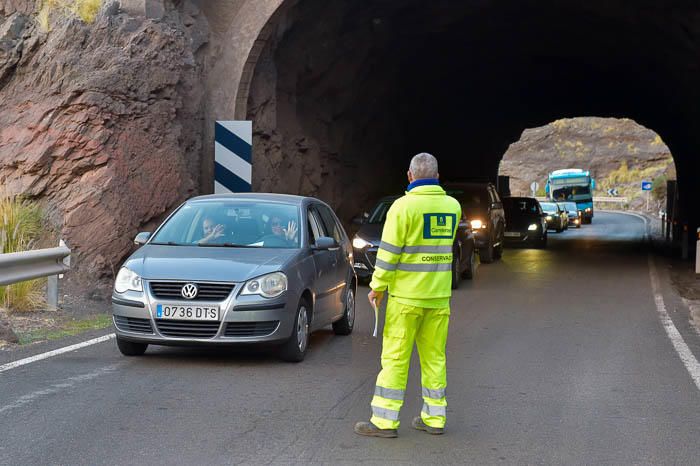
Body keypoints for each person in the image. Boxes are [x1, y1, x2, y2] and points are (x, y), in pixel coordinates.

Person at [354, 152, 461, 438]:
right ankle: (435, 419)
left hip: (406, 300)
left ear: (410, 176)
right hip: (438, 298)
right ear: (437, 177)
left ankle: (385, 422)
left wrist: (377, 287)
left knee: (395, 360)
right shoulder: (453, 207)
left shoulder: (402, 208)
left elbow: (388, 256)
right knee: (435, 359)